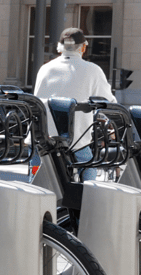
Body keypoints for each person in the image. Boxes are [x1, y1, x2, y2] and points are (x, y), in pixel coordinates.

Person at [33, 26, 115, 170]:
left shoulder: (45, 68)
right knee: (88, 169)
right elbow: (109, 102)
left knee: (37, 175)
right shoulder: (92, 69)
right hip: (74, 139)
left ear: (60, 47)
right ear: (83, 48)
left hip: (42, 136)